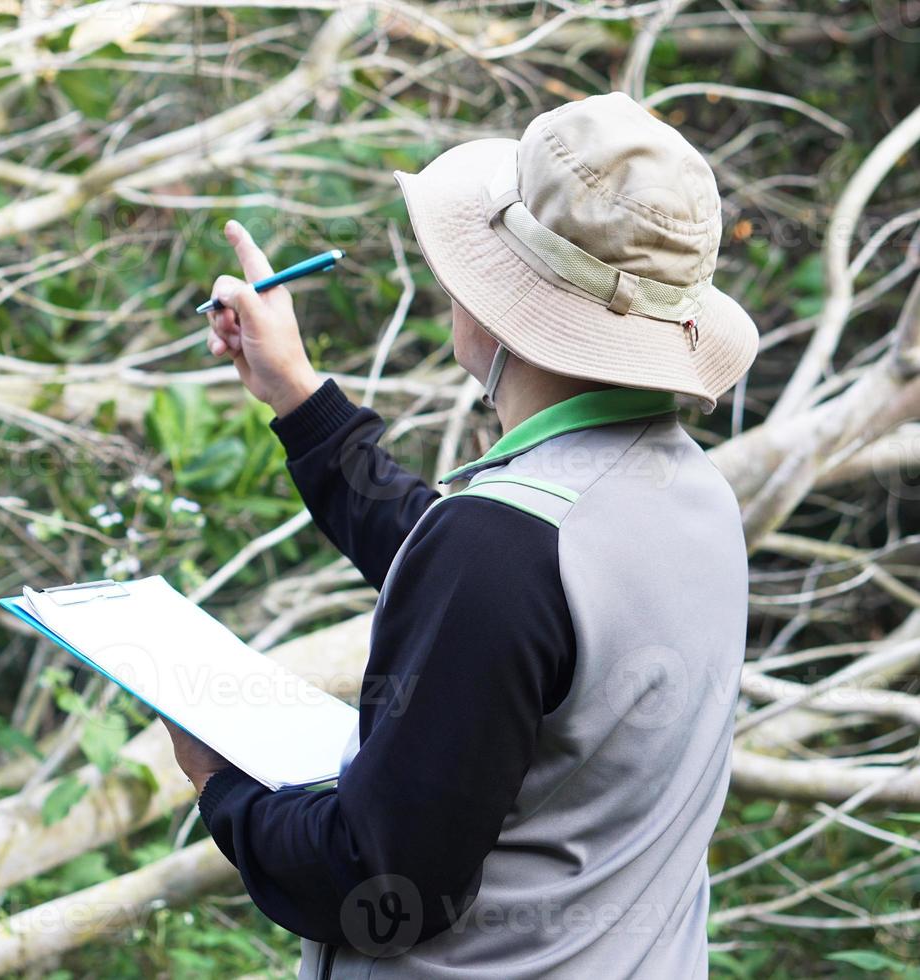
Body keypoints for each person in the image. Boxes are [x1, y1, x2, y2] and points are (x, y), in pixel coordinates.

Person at [164, 91, 760, 979]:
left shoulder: (502, 549)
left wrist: (225, 786)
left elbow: (379, 878)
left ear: (496, 306)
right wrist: (300, 399)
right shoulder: (692, 496)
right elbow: (474, 586)